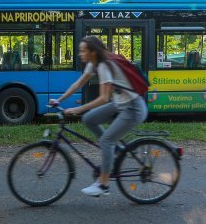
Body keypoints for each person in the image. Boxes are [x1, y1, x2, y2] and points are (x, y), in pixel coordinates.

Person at [49, 35, 148, 196]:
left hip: (133, 109)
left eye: (82, 51)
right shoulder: (92, 64)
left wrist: (77, 109)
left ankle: (103, 185)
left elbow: (103, 98)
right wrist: (59, 100)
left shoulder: (104, 66)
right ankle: (115, 150)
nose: (80, 54)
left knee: (106, 140)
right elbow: (78, 84)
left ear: (92, 52)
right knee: (89, 119)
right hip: (119, 104)